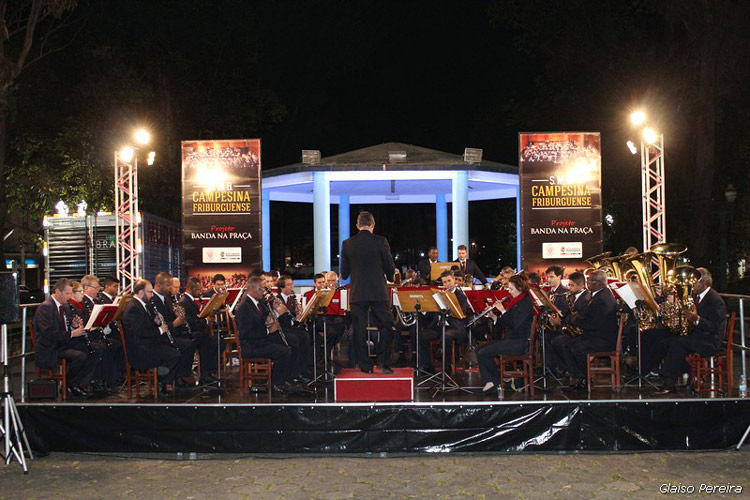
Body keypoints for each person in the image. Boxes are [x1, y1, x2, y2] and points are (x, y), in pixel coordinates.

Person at [653, 268, 726, 394]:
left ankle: (669, 382)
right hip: (697, 336)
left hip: (709, 340)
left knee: (679, 343)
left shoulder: (715, 300)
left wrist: (696, 319)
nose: (692, 286)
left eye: (694, 282)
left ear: (704, 283)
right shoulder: (695, 296)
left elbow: (714, 327)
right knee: (667, 342)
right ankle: (677, 375)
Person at [340, 211, 396, 374]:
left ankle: (365, 366)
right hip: (378, 292)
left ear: (357, 225)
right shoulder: (381, 241)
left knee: (359, 329)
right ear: (373, 224)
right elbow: (389, 266)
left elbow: (344, 273)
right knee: (386, 326)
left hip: (358, 293)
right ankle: (383, 363)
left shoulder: (347, 244)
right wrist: (391, 275)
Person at [33, 278, 100, 398]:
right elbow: (49, 333)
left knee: (93, 350)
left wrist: (73, 325)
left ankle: (77, 382)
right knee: (80, 356)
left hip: (62, 342)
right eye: (67, 294)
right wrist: (72, 334)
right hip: (51, 347)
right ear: (58, 292)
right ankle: (69, 384)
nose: (70, 297)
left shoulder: (63, 306)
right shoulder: (46, 307)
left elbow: (64, 326)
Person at [235, 275, 294, 394]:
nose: (264, 292)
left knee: (291, 343)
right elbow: (247, 332)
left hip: (260, 340)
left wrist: (272, 318)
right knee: (283, 352)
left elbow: (262, 319)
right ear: (252, 289)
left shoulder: (259, 302)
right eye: (262, 289)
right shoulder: (244, 307)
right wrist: (269, 330)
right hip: (251, 346)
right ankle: (275, 385)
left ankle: (283, 379)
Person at [562, 270, 619, 391]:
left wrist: (577, 320)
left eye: (589, 281)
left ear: (598, 283)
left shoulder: (603, 299)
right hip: (596, 335)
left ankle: (585, 379)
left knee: (577, 349)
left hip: (604, 339)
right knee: (566, 345)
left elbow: (594, 324)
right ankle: (576, 377)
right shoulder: (600, 295)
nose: (587, 284)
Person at [476, 274, 535, 393]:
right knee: (479, 349)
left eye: (511, 289)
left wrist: (503, 310)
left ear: (519, 288)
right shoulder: (517, 302)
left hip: (520, 343)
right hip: (511, 340)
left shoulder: (525, 303)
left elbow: (515, 325)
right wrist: (493, 317)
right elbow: (506, 324)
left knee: (483, 352)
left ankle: (492, 382)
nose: (509, 291)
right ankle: (494, 380)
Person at [121, 279, 180, 395]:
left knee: (174, 350)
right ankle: (160, 382)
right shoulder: (133, 307)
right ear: (141, 292)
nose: (151, 295)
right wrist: (160, 330)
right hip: (140, 350)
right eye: (149, 292)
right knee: (173, 355)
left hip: (148, 344)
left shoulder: (141, 305)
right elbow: (139, 332)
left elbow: (144, 326)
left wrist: (155, 321)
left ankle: (161, 381)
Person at [417, 270, 472, 375]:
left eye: (449, 281)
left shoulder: (460, 295)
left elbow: (461, 314)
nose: (447, 284)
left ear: (454, 281)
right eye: (444, 282)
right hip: (439, 326)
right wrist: (424, 309)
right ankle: (427, 366)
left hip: (455, 327)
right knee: (422, 336)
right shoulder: (438, 295)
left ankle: (447, 367)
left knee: (446, 336)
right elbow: (431, 315)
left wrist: (447, 308)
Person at [149, 272, 198, 385]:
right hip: (161, 338)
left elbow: (169, 317)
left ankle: (181, 375)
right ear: (160, 284)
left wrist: (178, 315)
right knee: (185, 346)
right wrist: (174, 324)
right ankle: (172, 379)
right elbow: (157, 324)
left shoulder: (166, 298)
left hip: (171, 333)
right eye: (168, 285)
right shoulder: (152, 300)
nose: (170, 288)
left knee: (191, 341)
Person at [177, 276, 222, 384]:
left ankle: (207, 372)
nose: (200, 291)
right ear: (190, 288)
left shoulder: (190, 300)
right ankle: (205, 374)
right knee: (209, 341)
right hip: (189, 334)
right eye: (198, 289)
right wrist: (205, 320)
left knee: (218, 341)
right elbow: (191, 323)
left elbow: (196, 319)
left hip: (196, 332)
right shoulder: (184, 302)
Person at [549, 271, 591, 377]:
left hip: (581, 332)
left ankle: (572, 372)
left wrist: (565, 322)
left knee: (559, 342)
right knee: (548, 337)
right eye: (569, 284)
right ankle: (564, 368)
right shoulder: (572, 296)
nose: (569, 287)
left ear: (581, 285)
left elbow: (582, 318)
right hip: (571, 329)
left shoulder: (586, 298)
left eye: (572, 285)